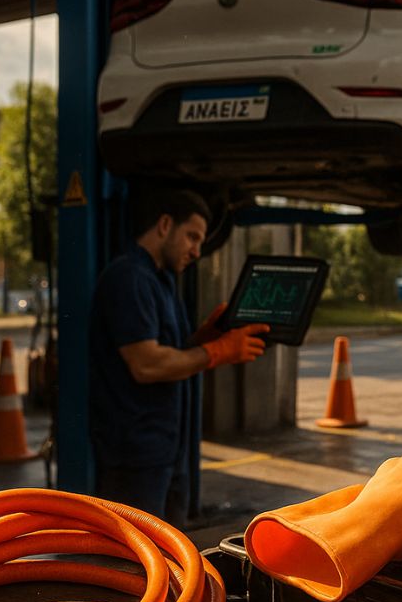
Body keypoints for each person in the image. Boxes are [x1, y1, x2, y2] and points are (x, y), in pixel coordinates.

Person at [89, 189, 269, 525]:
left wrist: (206, 336)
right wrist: (218, 351)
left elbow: (170, 351)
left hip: (167, 452)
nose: (197, 251)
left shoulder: (161, 280)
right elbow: (146, 364)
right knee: (138, 561)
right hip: (135, 457)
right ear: (164, 225)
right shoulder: (128, 278)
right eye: (192, 237)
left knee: (171, 555)